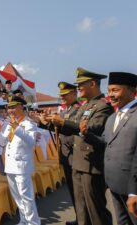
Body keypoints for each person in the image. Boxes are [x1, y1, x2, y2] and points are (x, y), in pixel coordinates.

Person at [47, 67, 113, 225]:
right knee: (82, 211)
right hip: (78, 162)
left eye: (81, 84)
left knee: (96, 212)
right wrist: (51, 123)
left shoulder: (103, 106)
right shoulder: (85, 106)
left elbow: (92, 129)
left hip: (91, 165)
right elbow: (72, 127)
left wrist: (63, 122)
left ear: (93, 84)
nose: (78, 88)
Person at [80, 72, 137, 224]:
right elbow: (105, 142)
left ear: (132, 91)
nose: (110, 94)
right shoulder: (112, 118)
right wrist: (86, 134)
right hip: (114, 182)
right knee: (123, 221)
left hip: (132, 187)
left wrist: (134, 193)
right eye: (109, 90)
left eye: (115, 90)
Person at [33, 81, 79, 225]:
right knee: (73, 190)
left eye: (65, 95)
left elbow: (74, 129)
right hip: (66, 154)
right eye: (61, 95)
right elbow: (57, 129)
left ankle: (85, 218)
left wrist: (60, 121)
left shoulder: (78, 109)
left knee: (80, 191)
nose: (63, 98)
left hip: (76, 154)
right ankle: (80, 217)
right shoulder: (65, 110)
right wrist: (43, 122)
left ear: (74, 93)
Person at [0, 95, 41, 225]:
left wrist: (17, 127)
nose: (10, 110)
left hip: (22, 165)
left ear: (22, 108)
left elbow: (31, 142)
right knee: (17, 197)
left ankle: (34, 222)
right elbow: (3, 142)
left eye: (13, 107)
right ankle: (24, 220)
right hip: (10, 166)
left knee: (26, 197)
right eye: (9, 108)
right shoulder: (10, 124)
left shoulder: (29, 124)